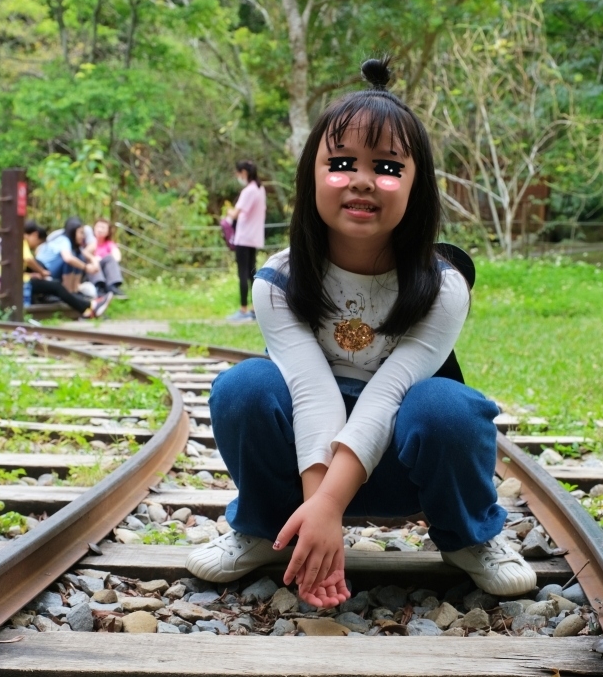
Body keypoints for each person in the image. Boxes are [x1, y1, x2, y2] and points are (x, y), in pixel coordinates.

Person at [185, 57, 536, 607]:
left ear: (417, 185)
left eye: (389, 167)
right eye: (342, 163)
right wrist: (319, 513)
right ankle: (271, 528)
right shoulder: (278, 280)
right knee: (244, 388)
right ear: (311, 175)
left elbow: (389, 392)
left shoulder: (443, 285)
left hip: (401, 468)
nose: (363, 180)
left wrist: (329, 506)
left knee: (448, 407)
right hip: (306, 462)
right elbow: (311, 392)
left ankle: (469, 536)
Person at [22, 221, 112, 318]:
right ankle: (91, 306)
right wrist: (42, 272)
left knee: (58, 284)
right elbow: (29, 259)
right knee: (57, 285)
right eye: (81, 233)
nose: (83, 236)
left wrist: (31, 275)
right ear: (35, 235)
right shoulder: (21, 241)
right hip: (31, 278)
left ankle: (89, 307)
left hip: (25, 279)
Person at [224, 159, 266, 322]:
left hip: (243, 237)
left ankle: (243, 309)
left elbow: (235, 214)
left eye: (238, 173)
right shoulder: (260, 189)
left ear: (244, 173)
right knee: (252, 273)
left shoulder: (248, 191)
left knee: (242, 273)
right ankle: (255, 309)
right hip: (254, 237)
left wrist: (228, 212)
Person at [36, 217, 99, 293]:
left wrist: (93, 260)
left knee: (79, 258)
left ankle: (74, 289)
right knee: (71, 261)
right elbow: (68, 258)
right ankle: (67, 291)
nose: (83, 236)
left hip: (52, 270)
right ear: (73, 231)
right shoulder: (63, 240)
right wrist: (86, 267)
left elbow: (84, 254)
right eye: (81, 233)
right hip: (44, 270)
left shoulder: (74, 246)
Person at [86, 219, 125, 297]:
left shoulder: (109, 244)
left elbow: (117, 257)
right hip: (90, 270)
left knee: (110, 258)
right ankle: (99, 287)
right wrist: (94, 259)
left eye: (103, 228)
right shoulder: (88, 242)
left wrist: (102, 258)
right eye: (98, 227)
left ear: (108, 232)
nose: (100, 230)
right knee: (93, 262)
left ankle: (112, 286)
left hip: (104, 268)